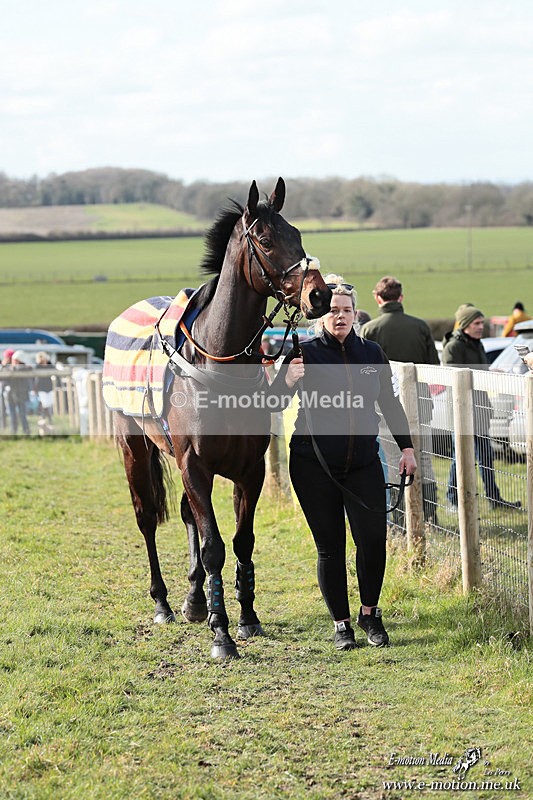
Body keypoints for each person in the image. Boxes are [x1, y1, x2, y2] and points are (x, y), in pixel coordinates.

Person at [270, 275, 417, 650]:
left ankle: (370, 614)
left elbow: (390, 404)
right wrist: (286, 380)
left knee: (372, 541)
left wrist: (407, 449)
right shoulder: (302, 352)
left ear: (355, 313)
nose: (340, 316)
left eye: (346, 310)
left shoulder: (371, 354)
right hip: (312, 466)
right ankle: (342, 625)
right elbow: (269, 404)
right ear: (321, 315)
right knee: (330, 547)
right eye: (333, 310)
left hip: (364, 463)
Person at [361, 276, 440, 524]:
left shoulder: (370, 330)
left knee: (395, 461)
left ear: (377, 298)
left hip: (385, 407)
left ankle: (400, 518)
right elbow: (434, 366)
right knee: (424, 459)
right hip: (420, 402)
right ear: (401, 298)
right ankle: (430, 516)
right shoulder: (420, 326)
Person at [442, 304, 521, 510]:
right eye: (477, 323)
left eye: (481, 323)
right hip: (461, 413)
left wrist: (493, 373)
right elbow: (455, 379)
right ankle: (452, 499)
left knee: (486, 458)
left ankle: (495, 499)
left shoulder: (479, 344)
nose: (481, 327)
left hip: (481, 411)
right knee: (460, 459)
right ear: (466, 324)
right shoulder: (453, 348)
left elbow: (481, 372)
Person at [3, 350, 31, 435]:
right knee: (12, 415)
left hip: (21, 394)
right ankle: (14, 432)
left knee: (22, 415)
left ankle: (26, 431)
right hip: (11, 395)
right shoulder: (8, 368)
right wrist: (4, 366)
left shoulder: (25, 368)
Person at [34, 351, 55, 434]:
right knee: (45, 404)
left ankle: (44, 419)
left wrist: (48, 363)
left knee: (48, 404)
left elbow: (54, 369)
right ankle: (46, 419)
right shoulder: (38, 366)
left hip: (49, 387)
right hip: (41, 388)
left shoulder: (50, 365)